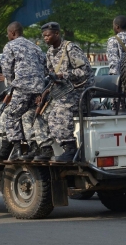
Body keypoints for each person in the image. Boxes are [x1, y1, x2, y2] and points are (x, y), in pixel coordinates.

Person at [37, 21, 94, 162]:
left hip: (81, 89)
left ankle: (71, 149)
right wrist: (43, 94)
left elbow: (85, 71)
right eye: (44, 36)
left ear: (57, 34)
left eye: (48, 35)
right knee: (44, 113)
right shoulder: (50, 52)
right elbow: (50, 74)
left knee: (60, 111)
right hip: (63, 90)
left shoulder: (70, 48)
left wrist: (64, 75)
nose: (45, 38)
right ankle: (47, 149)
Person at [0, 21, 46, 159]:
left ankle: (17, 149)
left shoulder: (11, 46)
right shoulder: (36, 47)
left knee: (12, 116)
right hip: (38, 89)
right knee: (29, 117)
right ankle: (34, 147)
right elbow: (45, 67)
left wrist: (10, 82)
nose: (8, 36)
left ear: (13, 33)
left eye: (8, 33)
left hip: (22, 87)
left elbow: (7, 68)